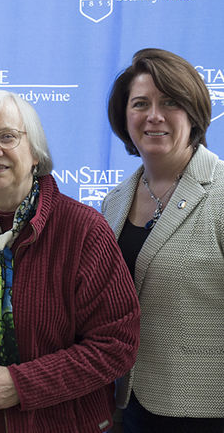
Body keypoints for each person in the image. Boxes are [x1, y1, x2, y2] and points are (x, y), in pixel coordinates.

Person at [0, 90, 141, 433]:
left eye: (7, 137)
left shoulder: (83, 230)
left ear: (35, 152)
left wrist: (23, 384)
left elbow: (116, 344)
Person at [102, 48, 224, 433]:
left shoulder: (220, 194)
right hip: (130, 407)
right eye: (141, 104)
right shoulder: (114, 201)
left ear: (193, 113)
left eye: (170, 102)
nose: (154, 115)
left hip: (207, 411)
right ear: (125, 118)